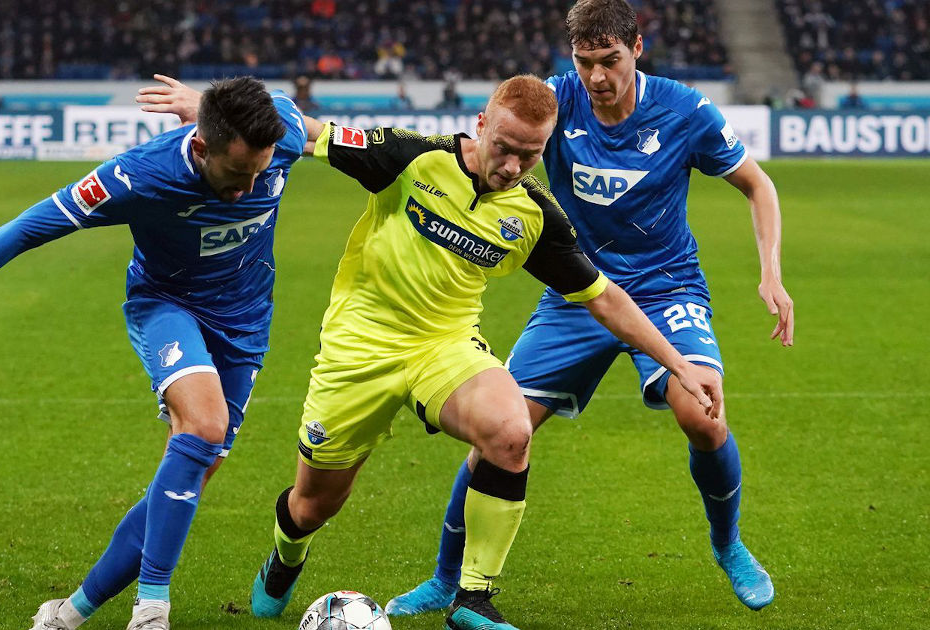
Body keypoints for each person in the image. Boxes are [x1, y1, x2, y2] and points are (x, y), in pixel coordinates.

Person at [241, 75, 723, 630]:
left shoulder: (533, 216)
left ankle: (474, 599)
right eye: (505, 148)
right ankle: (285, 556)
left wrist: (680, 364)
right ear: (481, 124)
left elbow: (605, 297)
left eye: (531, 155)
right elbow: (306, 131)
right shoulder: (410, 158)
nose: (514, 166)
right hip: (360, 348)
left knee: (511, 430)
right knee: (313, 504)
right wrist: (210, 108)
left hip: (444, 348)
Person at [386, 0, 791, 616]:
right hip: (579, 294)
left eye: (610, 60)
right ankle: (447, 579)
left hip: (665, 289)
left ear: (637, 49)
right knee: (500, 433)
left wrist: (771, 273)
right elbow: (486, 144)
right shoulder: (557, 101)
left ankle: (728, 544)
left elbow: (757, 185)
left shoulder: (685, 110)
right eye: (584, 62)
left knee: (703, 413)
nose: (597, 76)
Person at [0, 77, 306, 630]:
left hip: (245, 325)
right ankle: (151, 609)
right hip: (169, 305)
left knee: (190, 475)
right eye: (236, 175)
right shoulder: (138, 177)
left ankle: (70, 613)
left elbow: (327, 138)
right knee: (205, 427)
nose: (250, 188)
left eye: (261, 173)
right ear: (199, 147)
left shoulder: (277, 131)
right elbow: (26, 230)